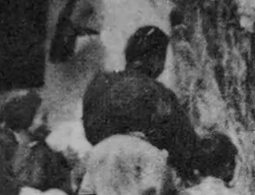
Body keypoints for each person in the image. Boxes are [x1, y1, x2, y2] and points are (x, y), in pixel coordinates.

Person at [82, 25, 199, 179]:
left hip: (99, 167)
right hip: (141, 175)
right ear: (155, 59)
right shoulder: (160, 93)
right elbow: (186, 147)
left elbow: (90, 129)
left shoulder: (99, 83)